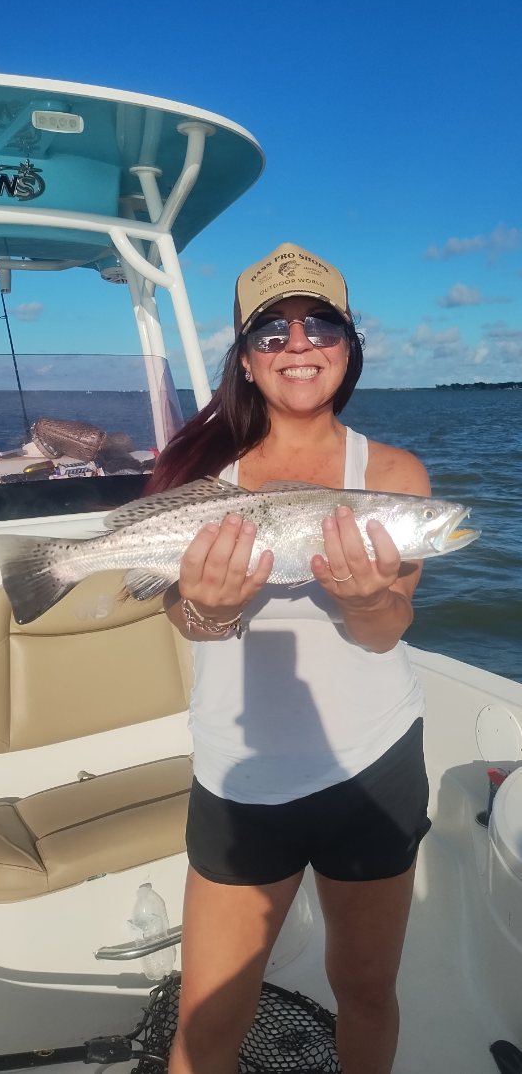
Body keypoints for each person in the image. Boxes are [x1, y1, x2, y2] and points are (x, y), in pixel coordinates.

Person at [147, 242, 431, 1074]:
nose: (298, 343)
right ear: (243, 355)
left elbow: (386, 630)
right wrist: (212, 606)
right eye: (271, 330)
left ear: (349, 345)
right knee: (204, 1027)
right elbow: (184, 618)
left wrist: (366, 598)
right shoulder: (198, 474)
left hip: (372, 762)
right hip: (241, 776)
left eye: (321, 324)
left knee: (368, 993)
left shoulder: (391, 473)